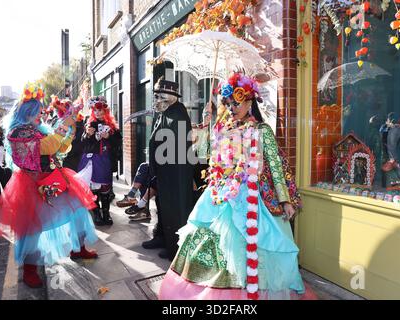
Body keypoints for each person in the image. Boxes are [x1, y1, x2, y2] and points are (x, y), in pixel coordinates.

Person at [159, 72, 309, 300]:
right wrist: (210, 127)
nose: (231, 108)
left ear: (249, 101)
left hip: (252, 197)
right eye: (227, 103)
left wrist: (285, 199)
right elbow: (209, 157)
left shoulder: (262, 131)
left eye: (236, 102)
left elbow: (276, 167)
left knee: (254, 248)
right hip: (221, 193)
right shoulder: (223, 128)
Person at [0, 83, 99, 288]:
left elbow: (57, 149)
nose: (41, 112)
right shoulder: (18, 132)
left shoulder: (37, 128)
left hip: (52, 177)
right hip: (30, 184)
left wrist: (68, 134)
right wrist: (64, 125)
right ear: (28, 111)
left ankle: (78, 248)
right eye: (38, 110)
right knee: (32, 228)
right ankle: (30, 269)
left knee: (78, 209)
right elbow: (47, 146)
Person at [141, 77, 195, 261]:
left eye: (159, 96)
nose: (155, 101)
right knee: (162, 206)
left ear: (171, 97)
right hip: (163, 171)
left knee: (174, 208)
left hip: (174, 173)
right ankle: (162, 237)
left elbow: (177, 150)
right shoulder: (165, 113)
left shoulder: (177, 115)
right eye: (155, 96)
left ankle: (175, 248)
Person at [77, 96, 122, 226]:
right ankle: (97, 214)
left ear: (106, 111)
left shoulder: (112, 126)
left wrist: (109, 136)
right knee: (93, 188)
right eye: (95, 111)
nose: (98, 113)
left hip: (105, 161)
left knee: (105, 187)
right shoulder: (89, 124)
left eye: (101, 111)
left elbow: (118, 142)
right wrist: (87, 135)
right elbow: (82, 143)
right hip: (91, 160)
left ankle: (106, 214)